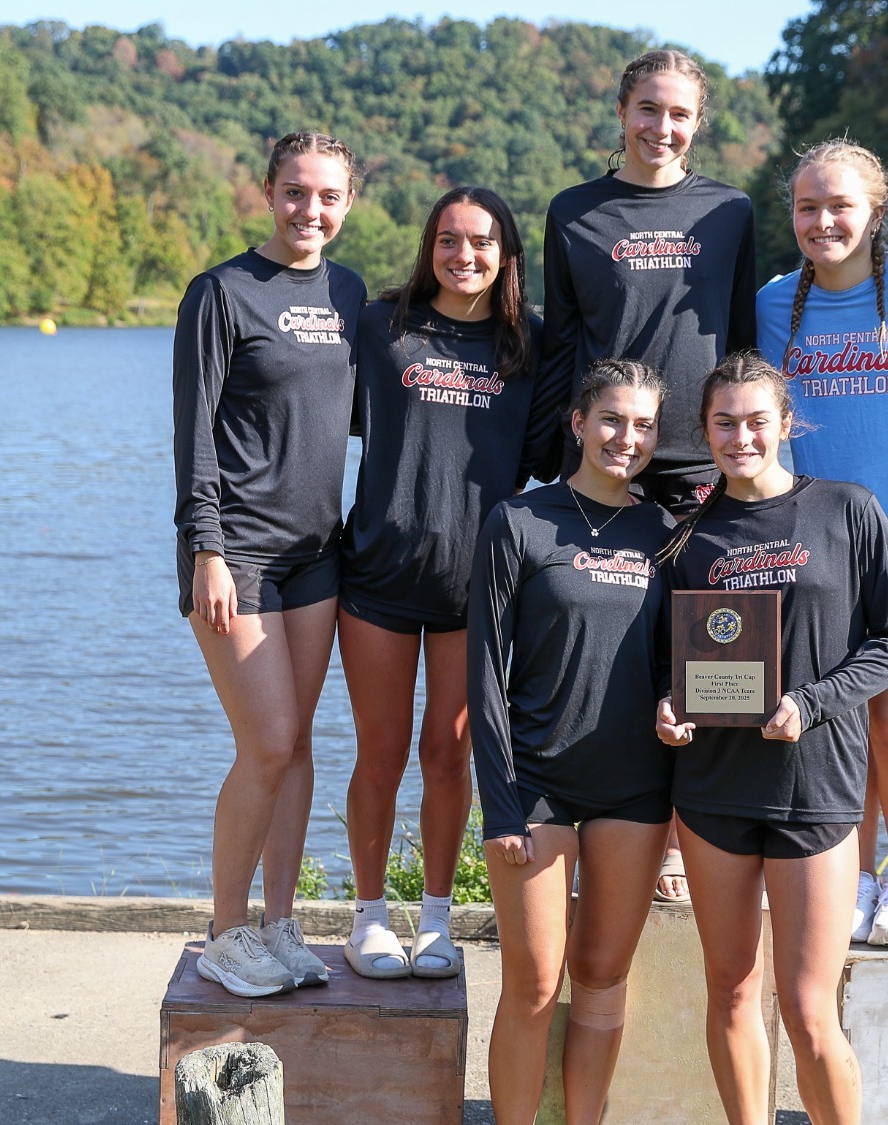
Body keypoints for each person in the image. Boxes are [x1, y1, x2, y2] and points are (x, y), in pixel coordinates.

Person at [654, 352, 888, 1125]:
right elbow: (664, 659)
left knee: (807, 1009)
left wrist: (813, 701)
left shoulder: (847, 509)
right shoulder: (686, 536)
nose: (741, 437)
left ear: (786, 423)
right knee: (732, 990)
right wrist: (667, 704)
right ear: (705, 430)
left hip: (815, 789)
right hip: (713, 791)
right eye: (724, 423)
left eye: (756, 421)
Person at [540, 47, 759, 901]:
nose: (661, 127)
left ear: (697, 123)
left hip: (702, 463)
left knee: (710, 653)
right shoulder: (574, 212)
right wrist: (546, 465)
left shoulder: (729, 211)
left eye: (679, 114)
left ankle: (690, 841)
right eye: (648, 109)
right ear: (622, 110)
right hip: (609, 462)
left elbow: (742, 342)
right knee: (616, 649)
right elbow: (564, 347)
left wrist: (752, 455)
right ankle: (604, 830)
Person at [339, 187, 565, 980]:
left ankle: (436, 919)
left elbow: (547, 459)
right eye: (448, 239)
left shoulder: (529, 342)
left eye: (481, 242)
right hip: (378, 573)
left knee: (449, 751)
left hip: (478, 584)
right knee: (380, 753)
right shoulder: (381, 326)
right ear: (428, 246)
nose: (463, 255)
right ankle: (369, 916)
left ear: (507, 255)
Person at [756, 139, 888, 949]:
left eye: (840, 205)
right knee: (831, 721)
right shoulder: (773, 304)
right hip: (813, 555)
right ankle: (854, 873)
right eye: (807, 207)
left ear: (876, 213)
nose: (823, 221)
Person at [173, 131, 364, 996]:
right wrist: (206, 549)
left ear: (347, 204)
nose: (308, 210)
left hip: (316, 553)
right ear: (267, 192)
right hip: (237, 552)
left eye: (327, 196)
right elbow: (193, 436)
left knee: (300, 745)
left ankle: (281, 922)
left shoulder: (349, 293)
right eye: (295, 191)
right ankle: (225, 930)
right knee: (268, 742)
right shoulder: (220, 293)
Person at [470, 360, 677, 1125]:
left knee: (599, 978)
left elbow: (674, 664)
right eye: (613, 419)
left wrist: (674, 704)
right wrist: (499, 806)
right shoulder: (519, 521)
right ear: (579, 422)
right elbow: (483, 674)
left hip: (635, 789)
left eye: (644, 425)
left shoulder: (665, 533)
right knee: (533, 983)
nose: (628, 437)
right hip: (537, 785)